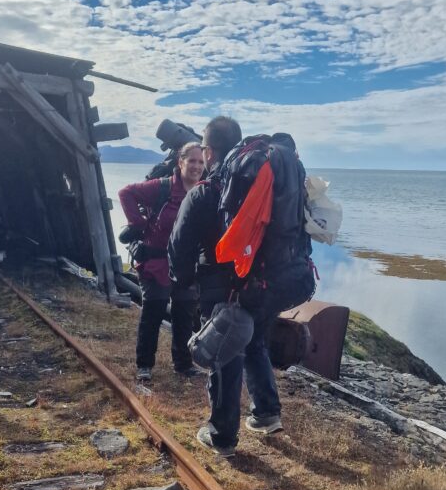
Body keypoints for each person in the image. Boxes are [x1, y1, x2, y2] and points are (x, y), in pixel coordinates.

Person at [168, 118, 314, 456]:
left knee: (224, 354)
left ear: (207, 150)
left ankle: (221, 434)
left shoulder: (205, 191)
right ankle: (266, 413)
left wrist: (186, 284)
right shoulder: (257, 180)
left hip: (221, 286)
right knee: (254, 341)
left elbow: (179, 247)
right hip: (264, 281)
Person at [118, 141, 206, 381]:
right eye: (192, 161)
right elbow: (125, 193)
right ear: (181, 162)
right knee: (153, 314)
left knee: (184, 316)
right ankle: (144, 365)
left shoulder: (204, 191)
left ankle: (183, 365)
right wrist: (138, 224)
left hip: (186, 267)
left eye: (201, 161)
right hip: (156, 264)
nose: (196, 166)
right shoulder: (162, 188)